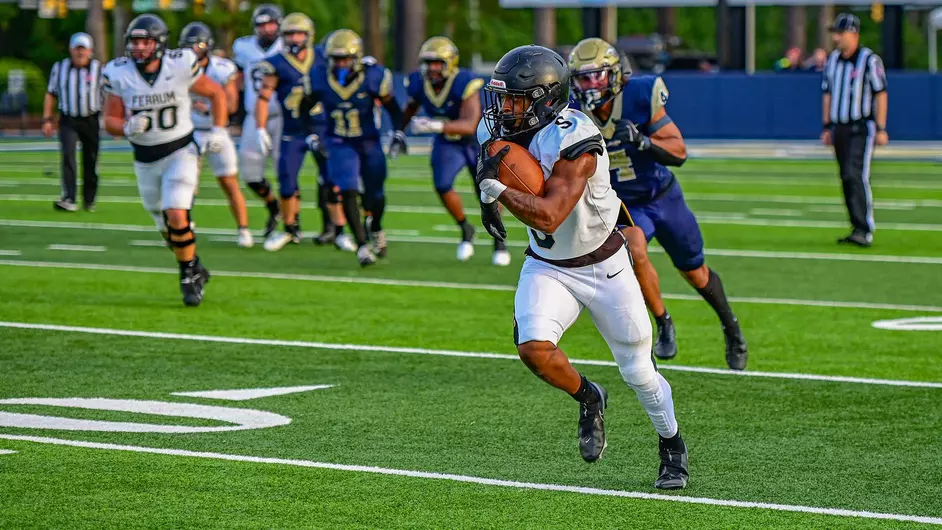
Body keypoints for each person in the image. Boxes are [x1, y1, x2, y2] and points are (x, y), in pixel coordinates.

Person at [475, 45, 688, 489]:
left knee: (640, 373)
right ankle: (589, 396)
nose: (504, 109)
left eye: (515, 99)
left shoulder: (576, 136)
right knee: (533, 348)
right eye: (503, 98)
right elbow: (505, 173)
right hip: (548, 265)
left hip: (604, 265)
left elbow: (550, 213)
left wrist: (495, 190)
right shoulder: (495, 129)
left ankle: (672, 445)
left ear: (546, 98)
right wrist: (493, 192)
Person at [568, 37, 748, 370]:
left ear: (616, 75)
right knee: (633, 249)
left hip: (663, 197)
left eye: (597, 76)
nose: (590, 85)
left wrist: (643, 140)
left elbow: (678, 152)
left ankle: (731, 327)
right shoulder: (574, 115)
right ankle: (663, 322)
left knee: (695, 272)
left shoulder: (639, 95)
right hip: (625, 205)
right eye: (583, 78)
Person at [102, 14, 227, 306]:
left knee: (176, 212)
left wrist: (219, 129)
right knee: (167, 228)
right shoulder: (118, 72)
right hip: (145, 159)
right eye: (134, 42)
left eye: (145, 41)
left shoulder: (181, 63)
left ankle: (187, 277)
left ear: (158, 44)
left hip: (180, 150)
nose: (139, 48)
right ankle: (194, 264)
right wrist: (126, 128)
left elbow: (216, 93)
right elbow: (110, 119)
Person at [298, 29, 407, 266]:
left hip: (368, 141)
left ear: (356, 58)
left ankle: (375, 226)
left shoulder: (373, 76)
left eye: (345, 58)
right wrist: (311, 135)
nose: (340, 64)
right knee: (346, 188)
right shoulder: (318, 77)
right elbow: (303, 108)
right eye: (335, 59)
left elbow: (394, 109)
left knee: (375, 196)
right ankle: (362, 246)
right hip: (339, 141)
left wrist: (398, 133)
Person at [402, 36, 511, 266]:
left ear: (450, 63)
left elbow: (470, 123)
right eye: (428, 62)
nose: (431, 68)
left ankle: (498, 241)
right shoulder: (418, 82)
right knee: (442, 184)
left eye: (437, 63)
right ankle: (465, 228)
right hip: (448, 142)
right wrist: (398, 132)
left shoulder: (464, 81)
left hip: (477, 141)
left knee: (487, 191)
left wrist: (437, 125)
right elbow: (410, 106)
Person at [179, 22, 253, 249]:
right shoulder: (177, 67)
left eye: (196, 45)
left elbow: (230, 104)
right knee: (184, 183)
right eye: (188, 46)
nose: (192, 51)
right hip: (188, 132)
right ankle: (185, 226)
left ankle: (243, 229)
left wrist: (210, 109)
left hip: (216, 130)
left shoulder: (222, 68)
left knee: (229, 181)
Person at [821, 13, 888, 247]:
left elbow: (881, 93)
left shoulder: (869, 60)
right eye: (836, 33)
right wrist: (827, 125)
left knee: (855, 173)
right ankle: (855, 226)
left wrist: (881, 127)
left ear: (854, 34)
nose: (837, 38)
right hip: (840, 126)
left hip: (861, 125)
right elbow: (827, 93)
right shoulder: (832, 61)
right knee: (845, 176)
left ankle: (864, 228)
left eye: (841, 33)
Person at [233, 4, 284, 238]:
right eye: (261, 25)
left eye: (270, 24)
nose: (266, 29)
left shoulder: (287, 46)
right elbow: (236, 77)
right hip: (254, 116)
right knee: (250, 174)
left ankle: (292, 223)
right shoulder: (243, 47)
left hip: (283, 116)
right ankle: (274, 206)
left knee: (286, 171)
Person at [43, 32, 102, 212]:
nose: (80, 53)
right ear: (71, 50)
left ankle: (89, 200)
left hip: (91, 119)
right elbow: (51, 93)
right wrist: (47, 119)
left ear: (90, 51)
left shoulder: (100, 69)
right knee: (68, 156)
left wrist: (112, 119)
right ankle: (69, 197)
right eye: (77, 49)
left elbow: (110, 95)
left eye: (83, 49)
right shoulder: (59, 68)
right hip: (68, 119)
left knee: (90, 160)